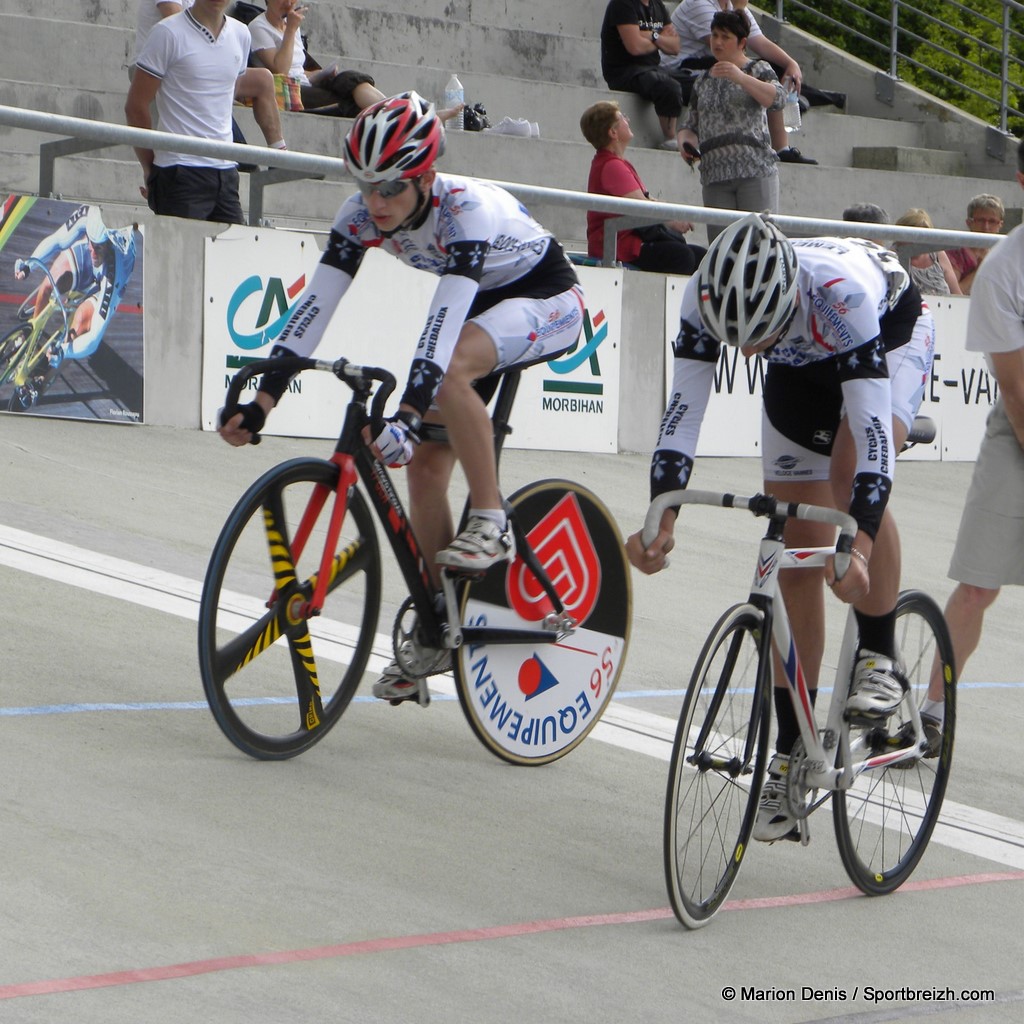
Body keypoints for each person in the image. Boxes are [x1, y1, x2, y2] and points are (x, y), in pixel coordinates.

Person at [218, 92, 586, 702]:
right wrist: (264, 398)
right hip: (479, 315)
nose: (375, 202)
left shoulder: (464, 211)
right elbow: (315, 304)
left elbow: (442, 323)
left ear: (426, 177)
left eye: (390, 187)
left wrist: (410, 413)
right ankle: (441, 623)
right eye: (363, 185)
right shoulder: (359, 215)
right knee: (423, 473)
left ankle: (492, 520)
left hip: (545, 299)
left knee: (445, 377)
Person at [626, 212, 925, 842]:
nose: (748, 351)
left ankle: (878, 652)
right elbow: (682, 415)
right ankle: (793, 749)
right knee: (795, 543)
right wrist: (662, 514)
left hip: (887, 331)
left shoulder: (837, 293)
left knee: (845, 474)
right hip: (800, 359)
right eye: (741, 339)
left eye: (756, 335)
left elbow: (873, 443)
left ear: (787, 293)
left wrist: (859, 547)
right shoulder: (704, 299)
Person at [924, 140, 1024, 740]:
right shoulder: (1004, 271)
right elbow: (1015, 392)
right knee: (977, 587)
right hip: (1018, 432)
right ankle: (932, 709)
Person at [126, 0, 253, 223]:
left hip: (225, 171)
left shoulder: (241, 34)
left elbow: (228, 93)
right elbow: (136, 106)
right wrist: (150, 168)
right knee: (178, 255)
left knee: (231, 254)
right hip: (179, 170)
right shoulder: (167, 32)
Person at [662, 0, 833, 164]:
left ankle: (782, 148)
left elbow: (760, 43)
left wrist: (791, 64)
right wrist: (739, 10)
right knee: (754, 72)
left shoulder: (734, 7)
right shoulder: (698, 3)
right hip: (681, 71)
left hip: (712, 65)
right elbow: (728, 46)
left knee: (775, 70)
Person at [10, 205, 137, 407]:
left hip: (109, 276)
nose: (93, 252)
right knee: (49, 283)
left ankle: (42, 382)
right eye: (92, 244)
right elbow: (58, 239)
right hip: (96, 252)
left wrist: (64, 351)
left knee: (79, 326)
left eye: (98, 247)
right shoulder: (90, 215)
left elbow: (94, 339)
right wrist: (29, 264)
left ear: (110, 244)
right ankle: (30, 335)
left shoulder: (117, 269)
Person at [676, 10, 785, 242]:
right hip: (715, 173)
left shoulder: (758, 69)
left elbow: (778, 99)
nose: (717, 42)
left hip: (754, 170)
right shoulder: (703, 80)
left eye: (725, 37)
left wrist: (741, 78)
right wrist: (684, 141)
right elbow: (691, 123)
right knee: (722, 248)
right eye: (715, 35)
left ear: (742, 42)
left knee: (759, 243)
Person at [132, 0, 287, 157]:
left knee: (263, 79)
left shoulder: (240, 32)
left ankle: (279, 153)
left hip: (202, 61)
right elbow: (179, 25)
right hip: (157, 65)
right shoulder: (169, 30)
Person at [580, 100, 706, 273]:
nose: (628, 120)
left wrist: (674, 215)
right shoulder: (611, 166)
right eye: (622, 118)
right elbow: (644, 208)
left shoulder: (616, 163)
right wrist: (673, 220)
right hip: (620, 247)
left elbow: (647, 202)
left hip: (629, 241)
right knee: (684, 257)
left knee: (702, 257)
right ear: (613, 132)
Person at [600, 0, 686, 149]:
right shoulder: (622, 4)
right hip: (624, 71)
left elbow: (675, 47)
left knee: (695, 83)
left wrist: (652, 36)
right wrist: (659, 37)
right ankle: (670, 138)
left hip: (653, 68)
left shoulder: (657, 6)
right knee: (668, 86)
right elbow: (635, 47)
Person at [945, 193, 1005, 295]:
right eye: (981, 220)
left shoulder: (1004, 252)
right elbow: (953, 295)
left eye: (992, 221)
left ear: (1000, 225)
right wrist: (981, 268)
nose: (986, 227)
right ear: (969, 222)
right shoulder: (956, 251)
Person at [894, 208, 963, 296]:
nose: (916, 241)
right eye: (912, 235)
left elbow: (957, 294)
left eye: (922, 236)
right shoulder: (892, 257)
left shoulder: (938, 254)